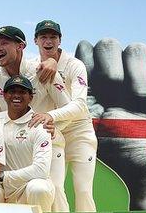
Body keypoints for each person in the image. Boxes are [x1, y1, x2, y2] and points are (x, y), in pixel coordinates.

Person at [0, 25, 69, 211]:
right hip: (14, 143)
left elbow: (70, 107)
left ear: (20, 46)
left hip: (48, 139)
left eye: (4, 42)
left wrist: (52, 120)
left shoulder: (42, 69)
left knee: (54, 190)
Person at [28, 20, 98, 212]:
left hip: (78, 131)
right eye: (43, 37)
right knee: (55, 187)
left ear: (60, 40)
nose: (48, 41)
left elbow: (80, 106)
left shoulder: (75, 65)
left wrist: (49, 115)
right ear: (35, 40)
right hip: (52, 132)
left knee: (83, 190)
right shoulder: (31, 66)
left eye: (53, 37)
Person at [0, 75, 55, 212]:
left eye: (22, 92)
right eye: (12, 91)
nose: (16, 95)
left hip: (26, 187)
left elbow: (41, 170)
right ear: (4, 95)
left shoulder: (41, 124)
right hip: (1, 188)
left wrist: (3, 177)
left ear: (31, 97)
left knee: (38, 187)